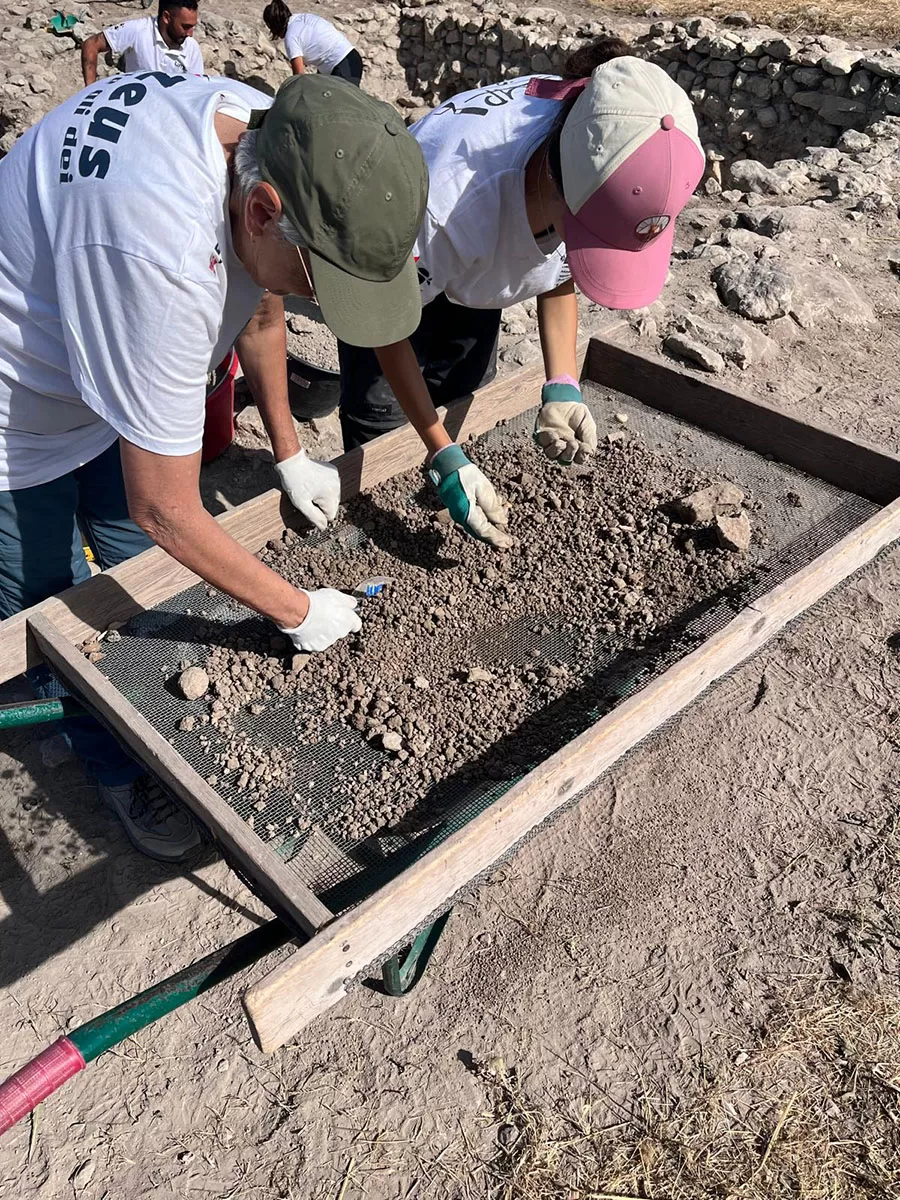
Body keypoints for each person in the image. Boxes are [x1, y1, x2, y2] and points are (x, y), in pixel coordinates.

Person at [0, 72, 426, 861]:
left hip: (100, 362)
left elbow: (261, 304)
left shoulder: (263, 131)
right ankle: (116, 767)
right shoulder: (161, 256)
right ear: (262, 212)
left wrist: (289, 452)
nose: (320, 303)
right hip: (15, 410)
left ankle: (159, 701)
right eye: (322, 281)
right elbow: (166, 507)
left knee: (141, 571)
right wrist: (297, 610)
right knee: (55, 607)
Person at [326, 44, 705, 548]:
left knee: (465, 382)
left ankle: (450, 480)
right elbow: (383, 325)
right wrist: (440, 450)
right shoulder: (445, 204)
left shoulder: (597, 139)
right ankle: (377, 527)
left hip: (476, 267)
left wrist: (562, 381)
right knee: (381, 416)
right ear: (557, 184)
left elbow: (563, 266)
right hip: (393, 267)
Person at [81, 0, 204, 86]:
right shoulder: (139, 30)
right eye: (185, 27)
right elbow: (91, 44)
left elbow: (197, 89)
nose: (190, 34)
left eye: (193, 26)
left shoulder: (192, 48)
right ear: (166, 17)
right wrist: (89, 90)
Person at [263, 2, 364, 86]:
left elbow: (299, 77)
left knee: (342, 104)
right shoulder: (303, 18)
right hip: (352, 60)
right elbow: (322, 48)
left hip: (342, 68)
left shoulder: (291, 37)